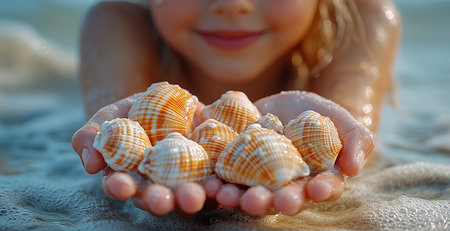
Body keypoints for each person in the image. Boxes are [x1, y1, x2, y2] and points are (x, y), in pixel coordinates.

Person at [72, 0, 401, 217]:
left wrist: (326, 152)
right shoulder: (117, 23)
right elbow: (126, 140)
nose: (231, 5)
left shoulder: (360, 22)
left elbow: (351, 136)